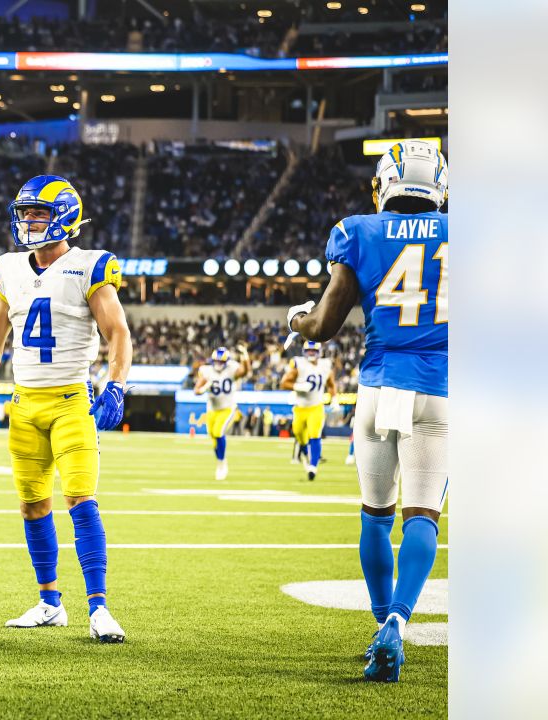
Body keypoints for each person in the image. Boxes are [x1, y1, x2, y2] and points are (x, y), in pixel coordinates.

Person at [285, 139, 448, 683]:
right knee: (422, 515)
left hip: (379, 385)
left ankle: (379, 623)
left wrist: (297, 320)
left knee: (376, 515)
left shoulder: (359, 230)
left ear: (386, 184)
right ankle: (398, 623)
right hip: (441, 388)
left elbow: (325, 328)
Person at [0, 175, 131, 642]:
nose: (29, 220)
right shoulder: (8, 268)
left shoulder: (91, 266)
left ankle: (99, 608)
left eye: (38, 211)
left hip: (71, 401)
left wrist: (116, 384)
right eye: (25, 212)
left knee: (81, 501)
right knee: (33, 505)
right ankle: (49, 602)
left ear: (64, 216)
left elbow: (118, 332)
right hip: (24, 403)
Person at [192, 345, 251, 479]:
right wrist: (203, 389)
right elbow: (196, 390)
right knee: (213, 439)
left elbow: (245, 371)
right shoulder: (207, 371)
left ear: (227, 361)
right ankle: (220, 461)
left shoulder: (231, 369)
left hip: (227, 408)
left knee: (219, 432)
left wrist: (245, 356)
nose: (218, 364)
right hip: (212, 409)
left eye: (221, 361)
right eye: (217, 361)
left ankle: (222, 463)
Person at [282, 341, 336, 480]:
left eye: (313, 351)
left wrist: (334, 397)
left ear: (319, 352)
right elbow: (284, 383)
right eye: (308, 350)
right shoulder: (298, 364)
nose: (311, 353)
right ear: (304, 351)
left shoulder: (325, 365)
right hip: (300, 408)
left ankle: (313, 467)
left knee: (314, 434)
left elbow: (331, 384)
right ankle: (306, 454)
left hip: (316, 407)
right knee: (299, 435)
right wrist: (298, 386)